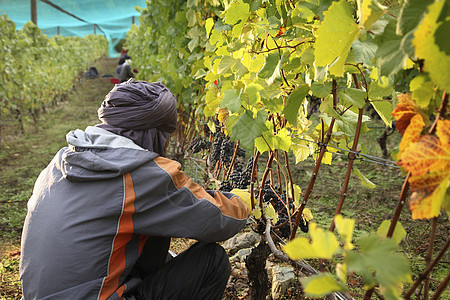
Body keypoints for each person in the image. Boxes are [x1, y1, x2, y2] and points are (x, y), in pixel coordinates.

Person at [19, 79, 249, 300]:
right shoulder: (139, 173)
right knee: (212, 261)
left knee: (152, 237)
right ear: (154, 134)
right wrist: (243, 201)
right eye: (165, 136)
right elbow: (217, 219)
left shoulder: (61, 160)